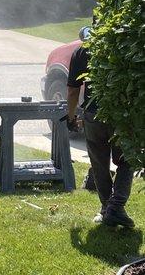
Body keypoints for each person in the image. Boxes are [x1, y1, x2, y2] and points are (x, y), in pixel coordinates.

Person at [66, 39, 135, 228]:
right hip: (121, 114)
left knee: (99, 163)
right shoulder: (125, 43)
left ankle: (108, 208)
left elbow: (73, 90)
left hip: (93, 115)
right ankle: (116, 207)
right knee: (126, 160)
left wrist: (71, 117)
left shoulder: (83, 51)